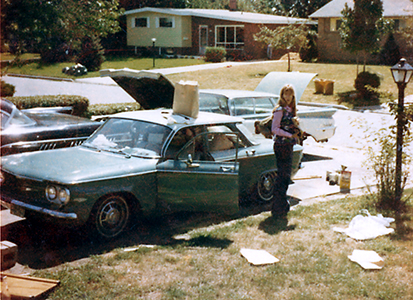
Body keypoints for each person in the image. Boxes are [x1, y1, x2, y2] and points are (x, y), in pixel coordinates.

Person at [271, 84, 300, 218]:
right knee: (282, 176)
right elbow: (275, 129)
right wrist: (290, 135)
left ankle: (282, 205)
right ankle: (278, 206)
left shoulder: (291, 110)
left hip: (288, 146)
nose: (288, 97)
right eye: (285, 94)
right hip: (281, 145)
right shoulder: (279, 110)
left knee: (286, 176)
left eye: (290, 94)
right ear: (282, 95)